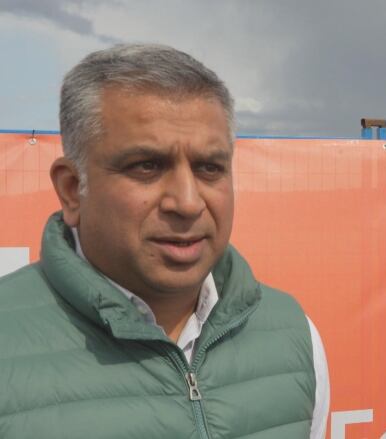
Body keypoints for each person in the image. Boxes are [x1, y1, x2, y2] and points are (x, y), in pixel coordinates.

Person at [0, 44, 329, 438]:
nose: (187, 203)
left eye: (209, 168)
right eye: (147, 166)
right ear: (72, 189)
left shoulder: (294, 335)